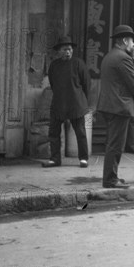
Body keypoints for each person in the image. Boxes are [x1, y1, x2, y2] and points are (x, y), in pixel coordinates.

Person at [97, 25, 134, 189]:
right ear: (124, 40)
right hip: (119, 107)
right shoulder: (123, 57)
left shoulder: (110, 56)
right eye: (132, 41)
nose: (133, 45)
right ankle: (110, 179)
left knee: (113, 143)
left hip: (110, 105)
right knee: (116, 145)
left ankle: (112, 176)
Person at [42, 36, 90, 168]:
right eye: (64, 49)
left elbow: (86, 84)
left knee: (80, 132)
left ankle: (83, 158)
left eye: (69, 49)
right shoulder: (54, 66)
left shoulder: (79, 64)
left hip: (76, 103)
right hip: (59, 103)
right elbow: (53, 83)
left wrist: (83, 101)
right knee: (54, 133)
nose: (68, 52)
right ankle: (55, 159)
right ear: (59, 51)